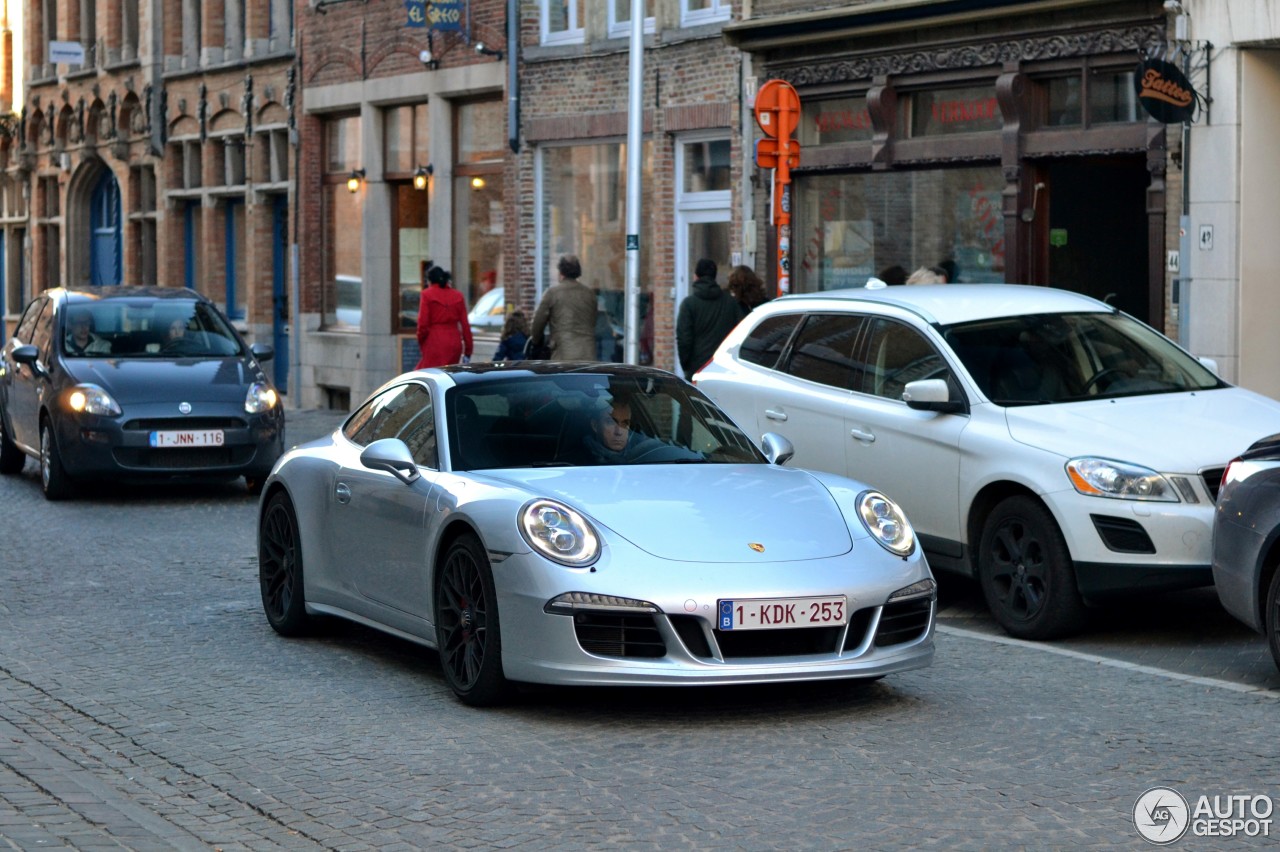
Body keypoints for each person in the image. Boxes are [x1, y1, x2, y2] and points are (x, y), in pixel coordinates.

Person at [676, 258, 742, 377]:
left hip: (697, 368)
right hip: (724, 367)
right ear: (714, 277)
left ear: (696, 276)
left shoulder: (689, 304)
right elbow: (740, 331)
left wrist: (686, 365)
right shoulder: (731, 303)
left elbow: (684, 339)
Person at [529, 255, 597, 361]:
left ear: (560, 273)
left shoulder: (552, 293)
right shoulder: (589, 294)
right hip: (588, 352)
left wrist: (536, 341)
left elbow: (538, 323)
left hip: (562, 352)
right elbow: (593, 320)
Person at [415, 265, 474, 369]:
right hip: (454, 341)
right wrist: (468, 350)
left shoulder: (427, 294)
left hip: (434, 341)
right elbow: (465, 325)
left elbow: (423, 324)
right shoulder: (458, 295)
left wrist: (422, 341)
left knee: (428, 375)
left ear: (430, 281)